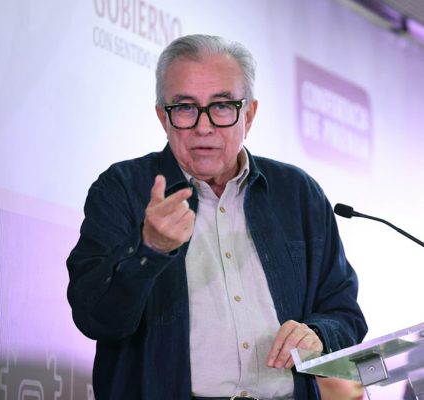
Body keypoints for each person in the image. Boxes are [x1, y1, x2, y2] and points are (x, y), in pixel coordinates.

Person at [67, 34, 367, 400]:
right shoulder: (123, 189)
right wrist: (150, 250)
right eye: (185, 107)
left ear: (249, 115)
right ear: (163, 117)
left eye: (222, 106)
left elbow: (345, 314)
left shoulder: (297, 193)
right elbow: (95, 318)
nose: (203, 126)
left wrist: (318, 335)